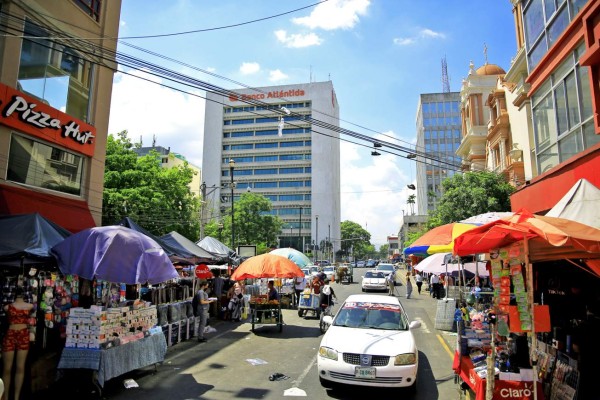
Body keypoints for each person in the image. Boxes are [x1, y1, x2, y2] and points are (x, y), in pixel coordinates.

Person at [2, 287, 34, 400]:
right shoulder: (7, 307)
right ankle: (5, 397)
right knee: (7, 368)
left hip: (23, 335)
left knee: (20, 367)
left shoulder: (30, 306)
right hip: (11, 335)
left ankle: (16, 397)